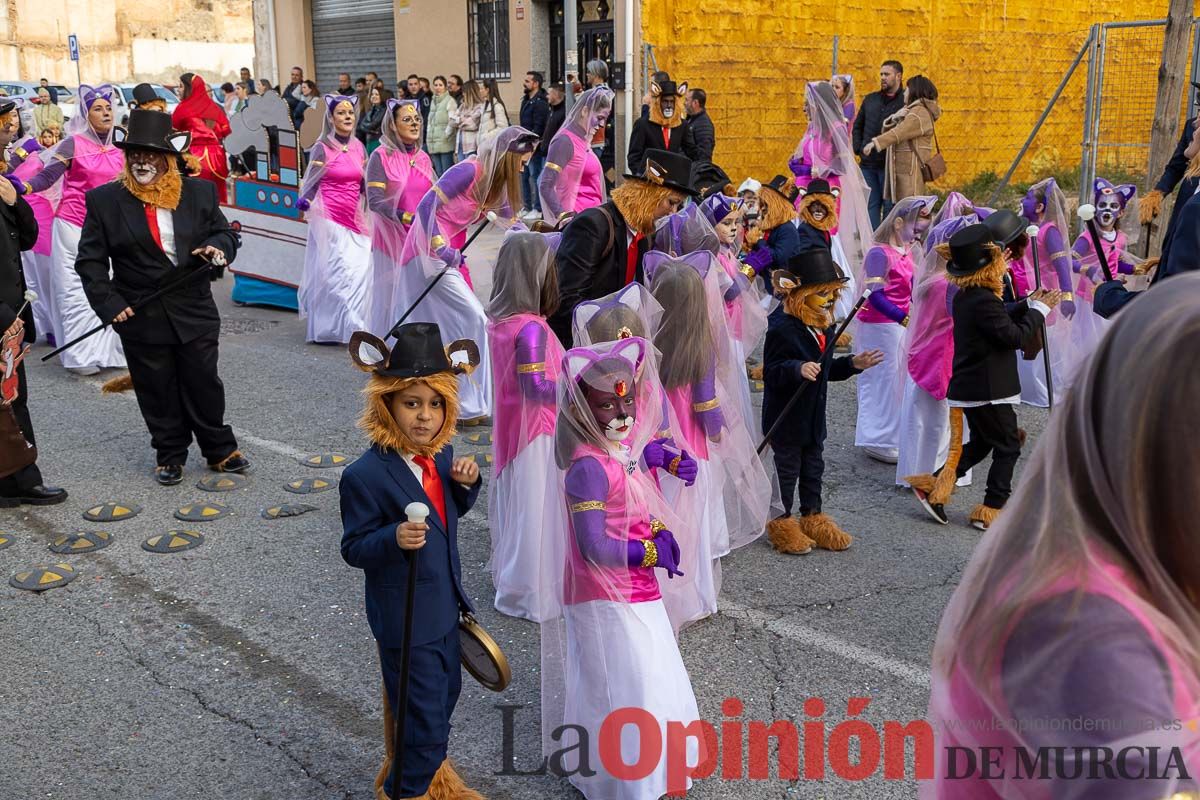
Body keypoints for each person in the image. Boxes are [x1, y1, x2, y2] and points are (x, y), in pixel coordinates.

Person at [924, 274, 1200, 800]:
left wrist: (1031, 308)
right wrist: (1033, 310)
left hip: (990, 389)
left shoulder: (1113, 562)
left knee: (997, 450)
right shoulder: (1098, 643)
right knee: (996, 450)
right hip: (983, 391)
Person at [540, 335, 704, 800]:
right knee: (623, 681)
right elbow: (593, 546)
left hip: (635, 587)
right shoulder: (587, 468)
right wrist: (650, 552)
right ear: (581, 411)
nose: (623, 414)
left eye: (627, 401)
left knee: (653, 672)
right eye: (607, 406)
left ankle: (659, 766)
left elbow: (631, 507)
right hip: (602, 594)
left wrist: (658, 530)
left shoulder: (618, 450)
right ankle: (624, 778)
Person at [338, 321, 484, 800]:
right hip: (405, 619)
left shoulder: (440, 457)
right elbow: (354, 547)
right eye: (411, 403)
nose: (425, 416)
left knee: (443, 700)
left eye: (435, 403)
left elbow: (445, 518)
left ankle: (433, 781)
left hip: (444, 608)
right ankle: (405, 791)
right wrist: (394, 537)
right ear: (387, 404)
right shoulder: (365, 475)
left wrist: (466, 485)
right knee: (422, 722)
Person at [75, 109, 248, 486]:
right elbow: (89, 261)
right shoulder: (104, 201)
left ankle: (219, 448)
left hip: (193, 307)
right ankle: (169, 453)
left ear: (168, 158)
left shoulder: (198, 192)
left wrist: (217, 248)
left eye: (151, 154)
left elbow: (224, 234)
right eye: (135, 153)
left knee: (203, 381)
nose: (141, 161)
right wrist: (109, 303)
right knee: (157, 387)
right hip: (141, 313)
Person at [907, 224, 1059, 530]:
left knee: (983, 442)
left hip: (974, 385)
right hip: (987, 389)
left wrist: (1028, 303)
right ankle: (991, 508)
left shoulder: (970, 295)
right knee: (1009, 446)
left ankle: (934, 486)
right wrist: (1040, 310)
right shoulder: (983, 299)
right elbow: (1013, 336)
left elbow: (999, 315)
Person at [396, 126, 540, 423]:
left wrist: (545, 239)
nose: (523, 168)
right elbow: (426, 206)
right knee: (474, 318)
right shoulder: (469, 170)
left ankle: (458, 399)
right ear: (507, 157)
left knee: (453, 326)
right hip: (427, 253)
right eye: (521, 162)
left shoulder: (495, 184)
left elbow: (512, 224)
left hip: (451, 257)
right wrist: (440, 246)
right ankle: (469, 404)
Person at [762, 249, 883, 553]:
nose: (830, 300)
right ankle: (780, 521)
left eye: (833, 293)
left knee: (813, 470)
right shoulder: (782, 327)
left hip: (813, 417)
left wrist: (852, 364)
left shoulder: (823, 326)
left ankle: (813, 517)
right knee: (786, 472)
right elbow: (772, 371)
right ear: (801, 294)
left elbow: (825, 370)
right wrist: (796, 368)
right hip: (786, 418)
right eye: (823, 293)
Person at [14, 84, 125, 375]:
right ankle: (80, 355)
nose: (106, 113)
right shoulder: (73, 144)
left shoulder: (120, 144)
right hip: (73, 226)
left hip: (110, 229)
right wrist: (25, 187)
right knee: (76, 291)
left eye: (108, 108)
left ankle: (111, 351)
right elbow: (48, 175)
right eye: (98, 109)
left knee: (111, 287)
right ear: (86, 115)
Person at [485, 232, 566, 622]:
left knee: (522, 508)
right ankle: (531, 592)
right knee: (537, 511)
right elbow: (536, 387)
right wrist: (577, 386)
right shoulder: (531, 328)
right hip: (537, 431)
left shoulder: (501, 322)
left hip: (513, 427)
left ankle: (519, 584)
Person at [549, 148, 694, 345]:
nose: (673, 212)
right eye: (671, 202)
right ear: (650, 193)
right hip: (581, 345)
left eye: (679, 206)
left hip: (616, 343)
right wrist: (602, 339)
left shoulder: (644, 236)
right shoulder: (594, 225)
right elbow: (566, 299)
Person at [894, 204, 986, 490]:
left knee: (919, 418)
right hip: (942, 356)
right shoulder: (949, 284)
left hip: (922, 353)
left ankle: (914, 469)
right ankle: (931, 474)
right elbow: (964, 318)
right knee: (939, 421)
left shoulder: (927, 277)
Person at [0, 122, 66, 506]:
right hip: (2, 316)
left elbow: (26, 238)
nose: (8, 149)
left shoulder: (3, 186)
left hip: (9, 315)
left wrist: (15, 201)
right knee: (9, 399)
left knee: (12, 397)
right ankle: (21, 480)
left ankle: (17, 479)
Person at [855, 195, 935, 464]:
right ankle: (877, 437)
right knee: (882, 378)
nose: (916, 236)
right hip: (879, 325)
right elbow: (873, 294)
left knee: (898, 379)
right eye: (914, 229)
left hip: (898, 323)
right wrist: (903, 318)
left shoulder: (907, 250)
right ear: (898, 223)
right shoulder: (879, 253)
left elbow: (912, 287)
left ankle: (892, 434)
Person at [295, 94, 371, 345]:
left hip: (355, 219)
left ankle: (347, 325)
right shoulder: (322, 147)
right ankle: (354, 328)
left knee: (362, 271)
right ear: (331, 118)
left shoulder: (359, 147)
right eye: (341, 113)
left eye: (350, 113)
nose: (347, 117)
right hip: (330, 218)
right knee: (341, 273)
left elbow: (364, 184)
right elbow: (312, 181)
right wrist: (305, 201)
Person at [365, 98, 435, 336]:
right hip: (391, 243)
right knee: (392, 299)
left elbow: (433, 198)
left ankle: (417, 348)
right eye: (407, 119)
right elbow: (375, 201)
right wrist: (404, 217)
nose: (415, 123)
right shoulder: (380, 156)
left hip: (419, 241)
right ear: (393, 126)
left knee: (419, 299)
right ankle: (388, 346)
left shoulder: (423, 157)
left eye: (417, 119)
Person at [1013, 177, 1079, 406]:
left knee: (1046, 340)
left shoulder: (1049, 231)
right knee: (1030, 335)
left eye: (1028, 198)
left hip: (1047, 292)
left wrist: (1068, 295)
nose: (1023, 201)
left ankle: (1045, 388)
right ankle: (1029, 387)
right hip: (1028, 291)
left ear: (1040, 206)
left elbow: (1062, 265)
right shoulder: (1027, 229)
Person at [1070, 177, 1141, 352]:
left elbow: (1114, 263)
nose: (1107, 210)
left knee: (1106, 340)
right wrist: (1087, 269)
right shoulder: (1088, 237)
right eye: (1102, 205)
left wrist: (1132, 269)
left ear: (1121, 212)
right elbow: (1070, 261)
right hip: (1088, 297)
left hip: (1110, 293)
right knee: (1087, 342)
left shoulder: (1121, 238)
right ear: (1095, 209)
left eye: (1113, 206)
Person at [538, 85, 612, 225]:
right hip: (578, 224)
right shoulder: (564, 141)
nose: (602, 124)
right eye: (599, 117)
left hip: (592, 221)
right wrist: (564, 217)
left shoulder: (583, 141)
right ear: (585, 111)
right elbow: (546, 185)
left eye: (605, 119)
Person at [862, 75, 941, 205]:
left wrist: (875, 143)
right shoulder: (913, 110)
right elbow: (893, 131)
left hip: (910, 173)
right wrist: (894, 117)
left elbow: (899, 132)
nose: (904, 93)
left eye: (907, 90)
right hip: (906, 171)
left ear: (915, 91)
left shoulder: (919, 112)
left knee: (909, 208)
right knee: (904, 209)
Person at [852, 60, 905, 228]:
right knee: (870, 205)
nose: (882, 77)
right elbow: (857, 125)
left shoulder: (905, 102)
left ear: (898, 76)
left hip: (890, 166)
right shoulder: (871, 99)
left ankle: (886, 240)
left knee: (890, 206)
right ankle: (873, 240)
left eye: (887, 74)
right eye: (881, 74)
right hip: (868, 164)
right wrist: (858, 148)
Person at [171, 73, 232, 204]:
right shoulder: (214, 107)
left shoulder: (182, 108)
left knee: (195, 201)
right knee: (217, 199)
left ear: (189, 88)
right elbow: (226, 130)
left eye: (181, 86)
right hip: (217, 158)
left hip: (194, 158)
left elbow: (173, 133)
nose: (178, 90)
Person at [740, 175, 801, 284]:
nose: (763, 208)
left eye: (767, 205)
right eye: (762, 203)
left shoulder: (787, 229)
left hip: (779, 285)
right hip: (764, 282)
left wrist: (759, 241)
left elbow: (779, 258)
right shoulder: (768, 226)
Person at [626, 78, 687, 175]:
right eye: (665, 101)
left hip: (673, 180)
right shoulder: (642, 124)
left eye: (672, 102)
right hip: (649, 180)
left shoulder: (682, 125)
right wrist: (645, 175)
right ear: (658, 103)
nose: (669, 105)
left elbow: (691, 152)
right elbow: (634, 158)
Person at [518, 71, 550, 220]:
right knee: (524, 176)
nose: (524, 83)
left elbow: (539, 126)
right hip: (524, 144)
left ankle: (537, 208)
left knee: (535, 175)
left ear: (536, 83)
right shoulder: (526, 100)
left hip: (534, 146)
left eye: (527, 81)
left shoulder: (540, 102)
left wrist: (532, 142)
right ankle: (527, 206)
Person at [425, 76, 457, 177]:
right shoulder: (433, 101)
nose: (438, 87)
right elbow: (430, 122)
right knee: (438, 173)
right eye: (435, 85)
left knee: (446, 173)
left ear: (445, 87)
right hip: (433, 143)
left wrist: (446, 134)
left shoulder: (450, 101)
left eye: (440, 85)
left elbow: (453, 120)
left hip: (445, 143)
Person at [450, 80, 483, 162]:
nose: (463, 94)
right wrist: (462, 119)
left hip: (471, 146)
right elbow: (451, 121)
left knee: (471, 168)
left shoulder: (479, 107)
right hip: (460, 145)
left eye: (464, 92)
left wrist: (458, 120)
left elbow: (472, 125)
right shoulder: (462, 106)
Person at [683, 87, 714, 163]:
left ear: (695, 103)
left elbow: (704, 156)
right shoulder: (691, 119)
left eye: (687, 100)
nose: (684, 103)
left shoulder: (704, 125)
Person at [356, 86, 387, 153]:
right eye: (372, 94)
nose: (373, 96)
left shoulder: (384, 110)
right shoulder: (371, 109)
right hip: (369, 140)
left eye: (376, 94)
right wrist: (372, 131)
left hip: (378, 141)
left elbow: (373, 125)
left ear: (382, 96)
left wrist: (367, 128)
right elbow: (361, 125)